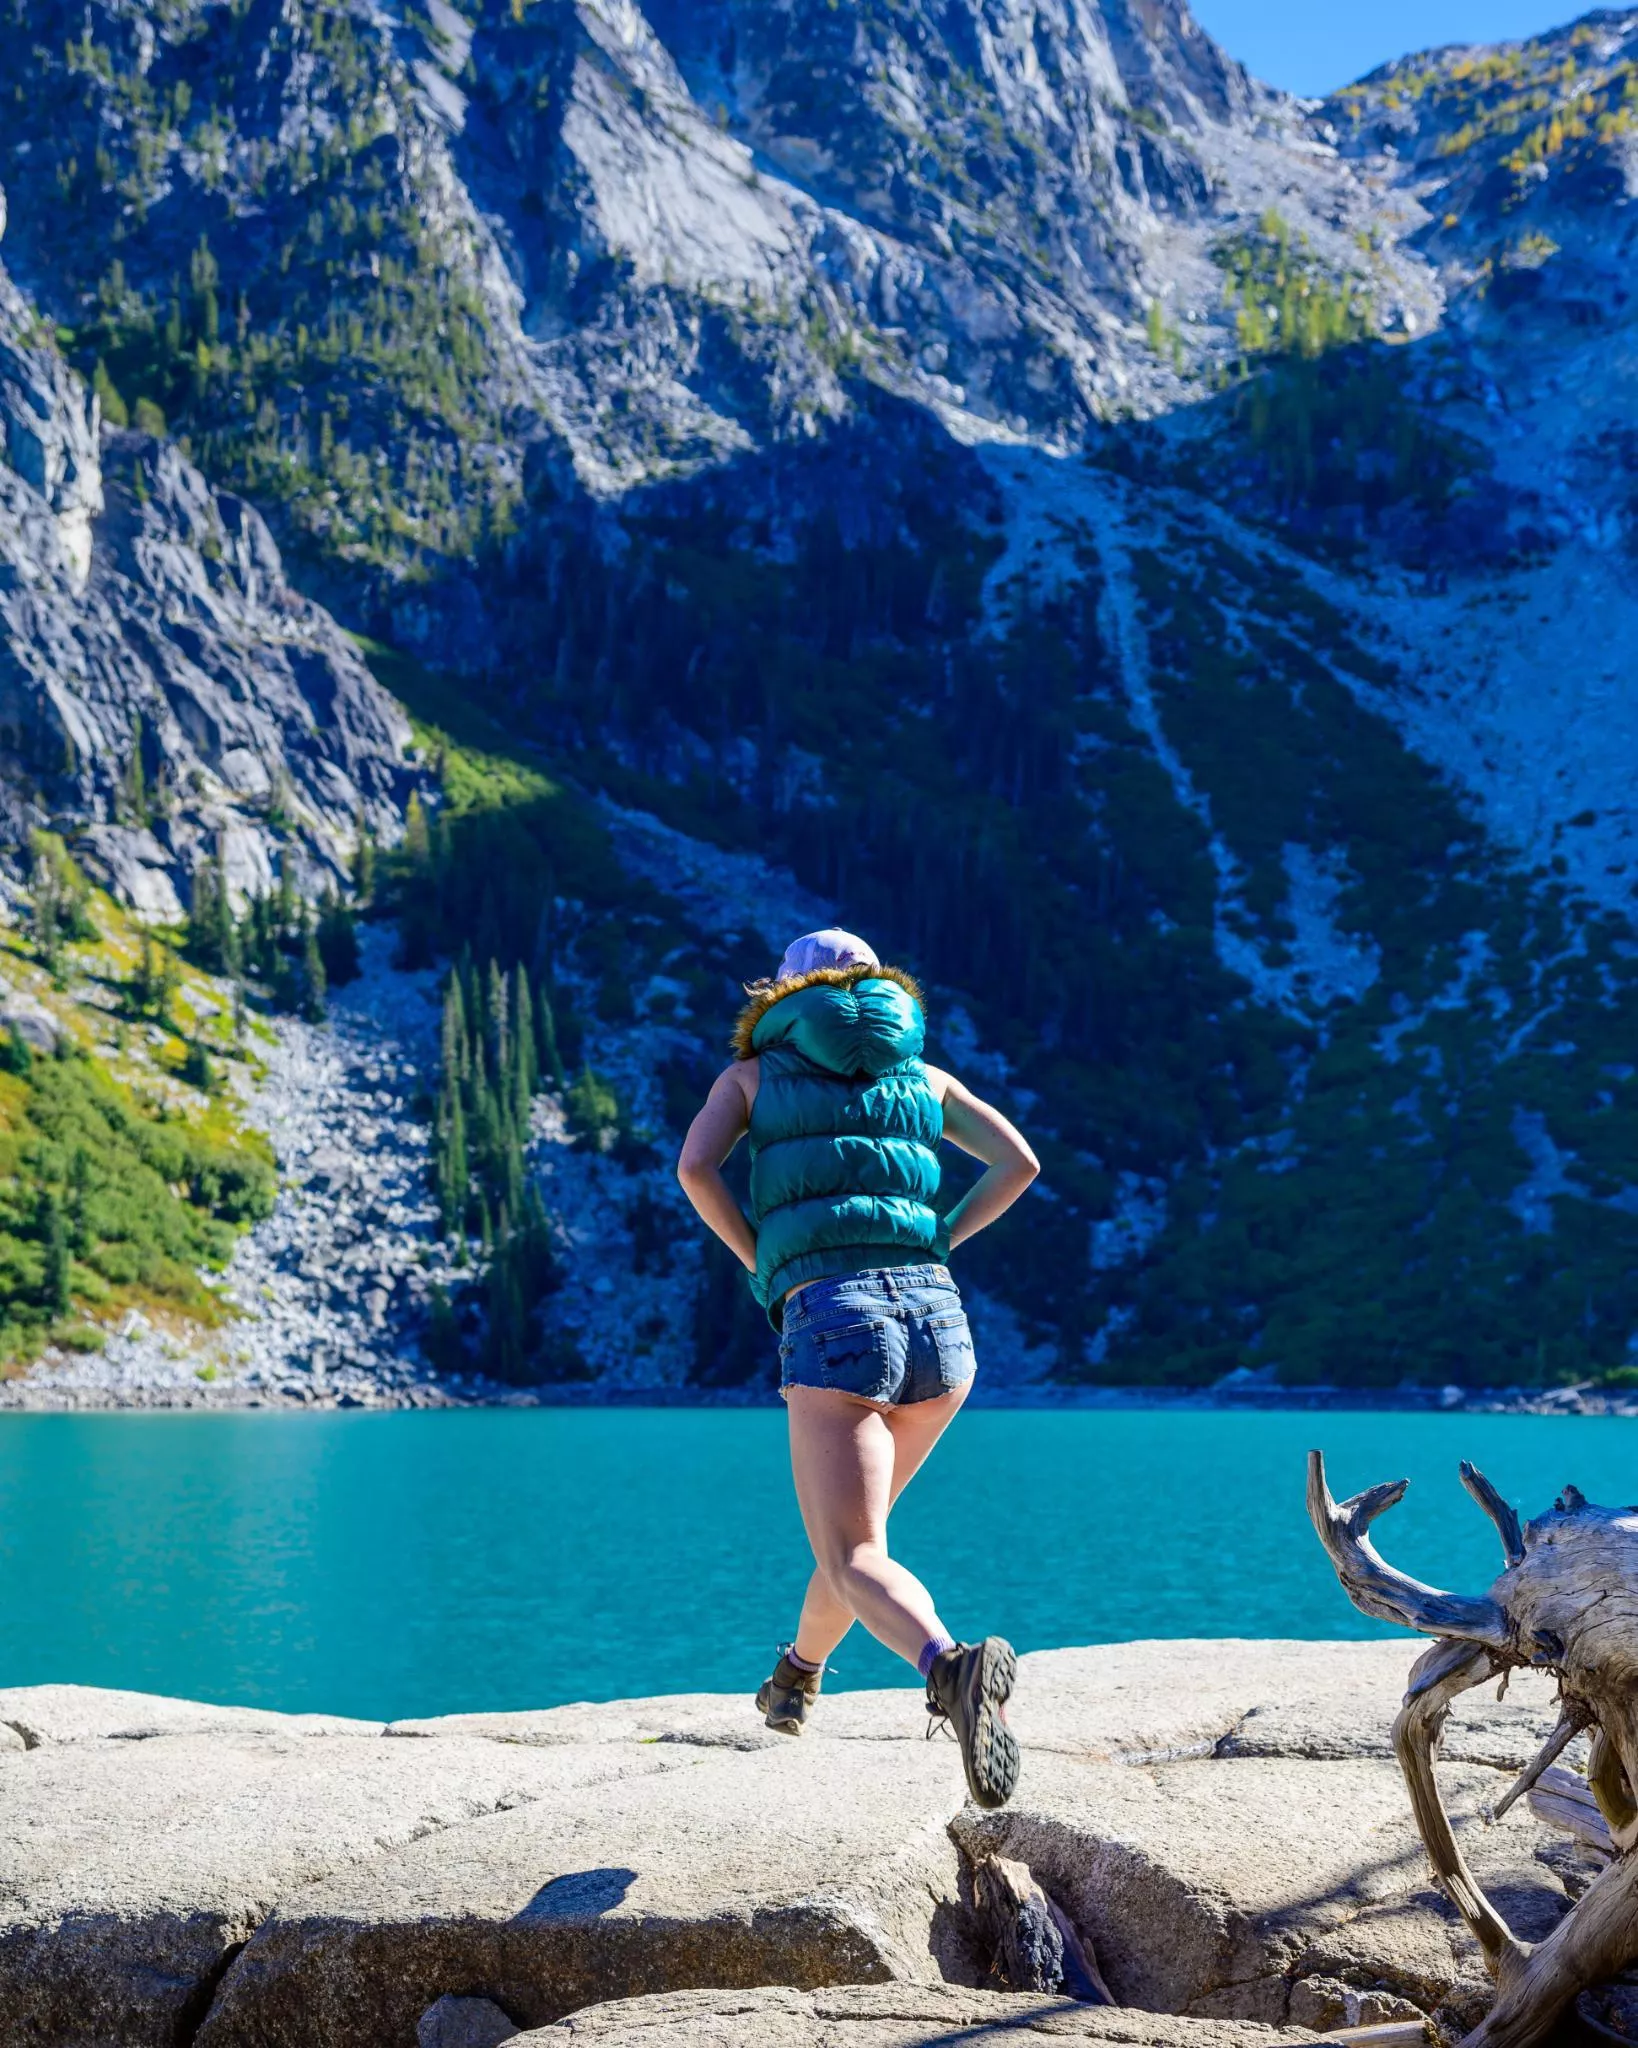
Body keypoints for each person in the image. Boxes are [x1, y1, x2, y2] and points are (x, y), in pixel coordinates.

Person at [677, 927, 1040, 1810]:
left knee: (853, 1552)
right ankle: (797, 1676)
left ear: (784, 996)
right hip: (939, 1323)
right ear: (880, 990)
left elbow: (695, 1169)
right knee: (856, 1545)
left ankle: (950, 1669)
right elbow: (1019, 1164)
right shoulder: (924, 1076)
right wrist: (940, 1236)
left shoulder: (752, 1077)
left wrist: (761, 1256)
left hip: (835, 1317)